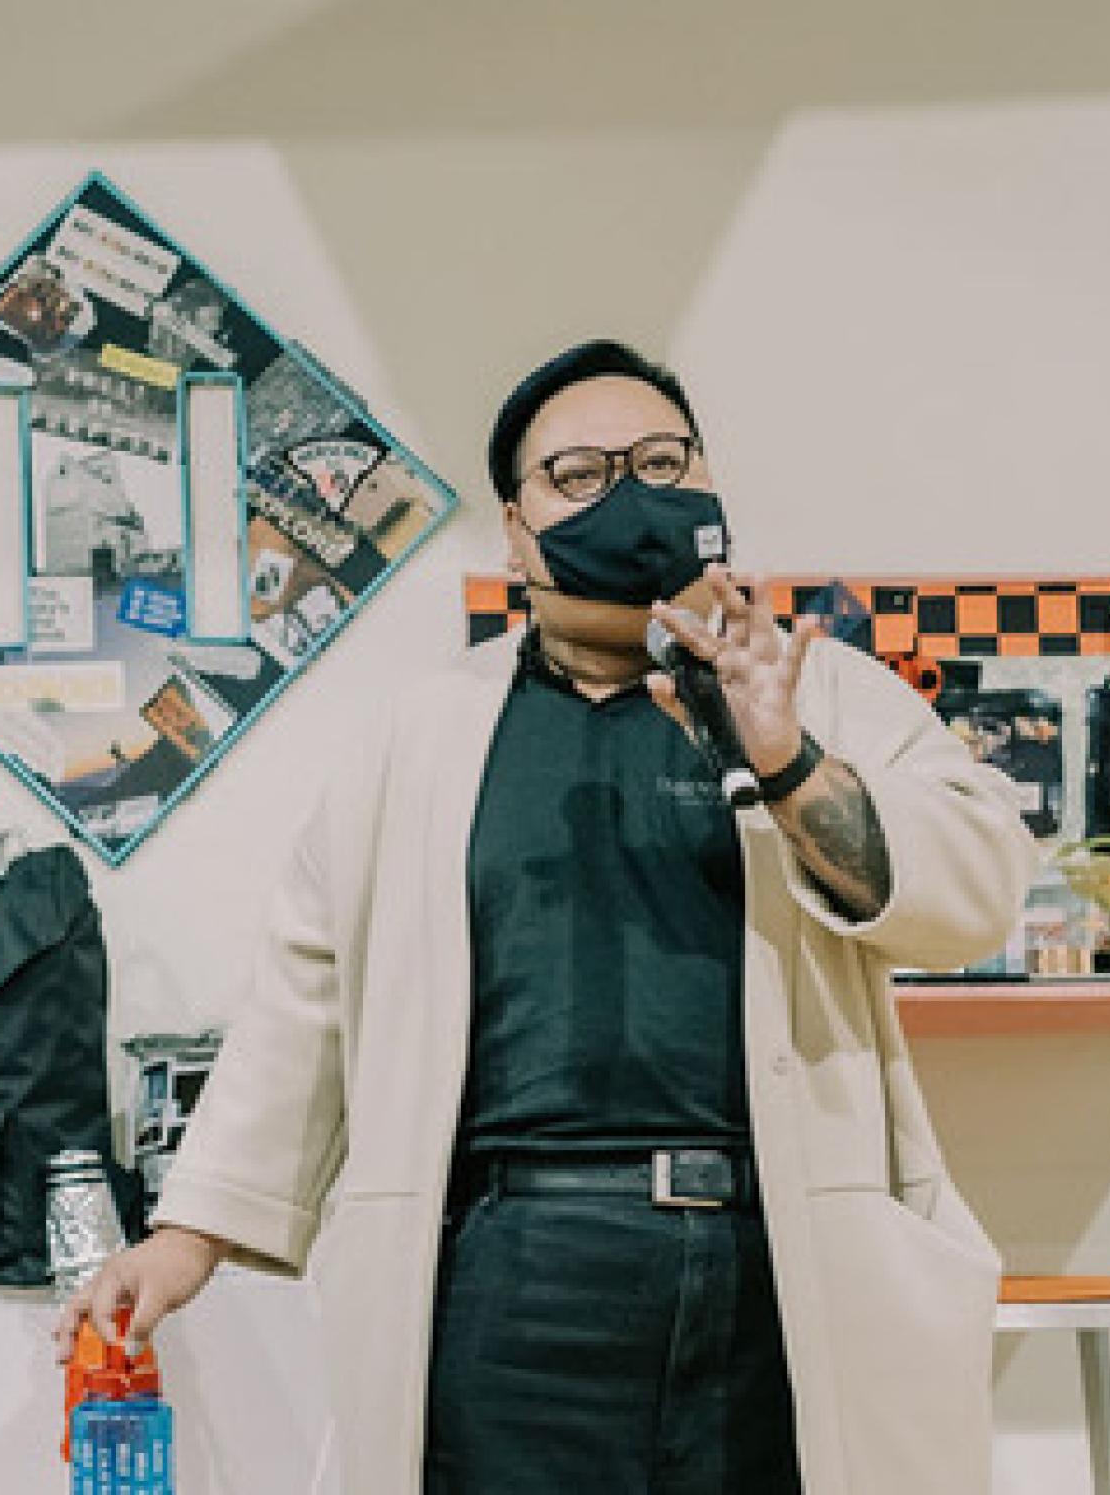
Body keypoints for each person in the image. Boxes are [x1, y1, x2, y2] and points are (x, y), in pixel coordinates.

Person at [57, 341, 1034, 1494]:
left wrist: (785, 762)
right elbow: (305, 1001)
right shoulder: (416, 737)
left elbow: (975, 893)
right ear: (515, 532)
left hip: (779, 1264)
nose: (628, 494)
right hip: (508, 1279)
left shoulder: (817, 692)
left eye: (660, 461)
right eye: (578, 475)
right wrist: (188, 1237)